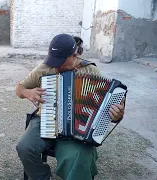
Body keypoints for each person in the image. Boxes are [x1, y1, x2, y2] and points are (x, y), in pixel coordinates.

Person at [15, 34, 125, 180]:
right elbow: (19, 89)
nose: (56, 66)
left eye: (60, 62)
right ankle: (42, 176)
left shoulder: (91, 71)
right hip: (46, 119)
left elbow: (107, 108)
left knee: (79, 156)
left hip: (78, 128)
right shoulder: (46, 67)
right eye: (53, 61)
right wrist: (28, 92)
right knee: (24, 147)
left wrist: (117, 114)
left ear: (74, 55)